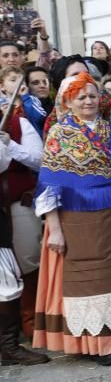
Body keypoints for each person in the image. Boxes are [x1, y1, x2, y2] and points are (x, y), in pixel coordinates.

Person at [32, 73, 111, 365]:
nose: (88, 101)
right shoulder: (59, 134)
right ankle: (100, 344)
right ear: (68, 102)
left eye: (92, 95)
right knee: (89, 279)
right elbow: (49, 185)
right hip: (77, 216)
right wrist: (54, 229)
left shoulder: (110, 129)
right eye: (80, 96)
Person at [0, 111, 47, 366]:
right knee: (5, 280)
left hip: (14, 206)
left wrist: (8, 144)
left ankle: (14, 342)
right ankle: (9, 347)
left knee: (18, 269)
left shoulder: (17, 122)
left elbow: (36, 160)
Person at [1, 65, 46, 135]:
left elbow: (39, 117)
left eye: (22, 80)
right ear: (2, 87)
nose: (19, 83)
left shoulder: (31, 99)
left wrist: (26, 98)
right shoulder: (2, 106)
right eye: (13, 80)